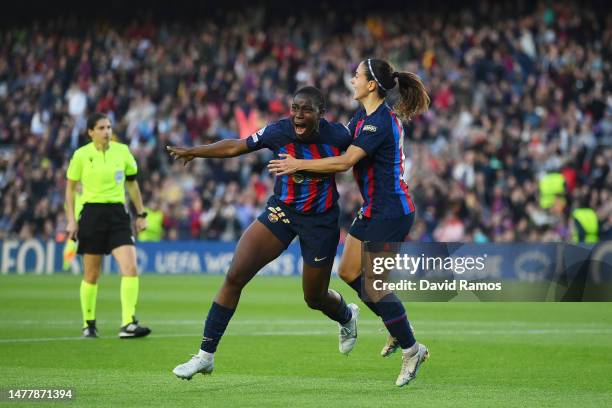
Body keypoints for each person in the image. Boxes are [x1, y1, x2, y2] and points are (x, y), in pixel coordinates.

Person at [168, 86, 358, 380]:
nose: (298, 114)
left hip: (321, 222)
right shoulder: (278, 131)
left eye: (306, 110)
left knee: (314, 297)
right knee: (235, 275)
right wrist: (196, 151)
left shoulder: (339, 137)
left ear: (321, 114)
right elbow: (237, 146)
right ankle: (205, 355)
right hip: (282, 212)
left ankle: (346, 315)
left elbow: (361, 160)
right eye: (295, 107)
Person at [268, 59, 430, 387]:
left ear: (371, 85)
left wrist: (300, 163)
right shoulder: (362, 117)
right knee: (348, 272)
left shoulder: (379, 122)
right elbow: (340, 143)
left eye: (357, 75)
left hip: (392, 211)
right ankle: (397, 327)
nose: (352, 79)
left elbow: (345, 162)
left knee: (375, 285)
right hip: (373, 208)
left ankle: (412, 349)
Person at [65, 113, 151, 339]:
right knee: (92, 274)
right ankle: (88, 323)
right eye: (101, 128)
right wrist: (71, 220)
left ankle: (128, 323)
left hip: (118, 214)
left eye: (109, 127)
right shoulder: (81, 155)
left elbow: (132, 184)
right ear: (90, 132)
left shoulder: (122, 152)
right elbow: (70, 189)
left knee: (130, 268)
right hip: (91, 214)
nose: (107, 132)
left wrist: (140, 213)